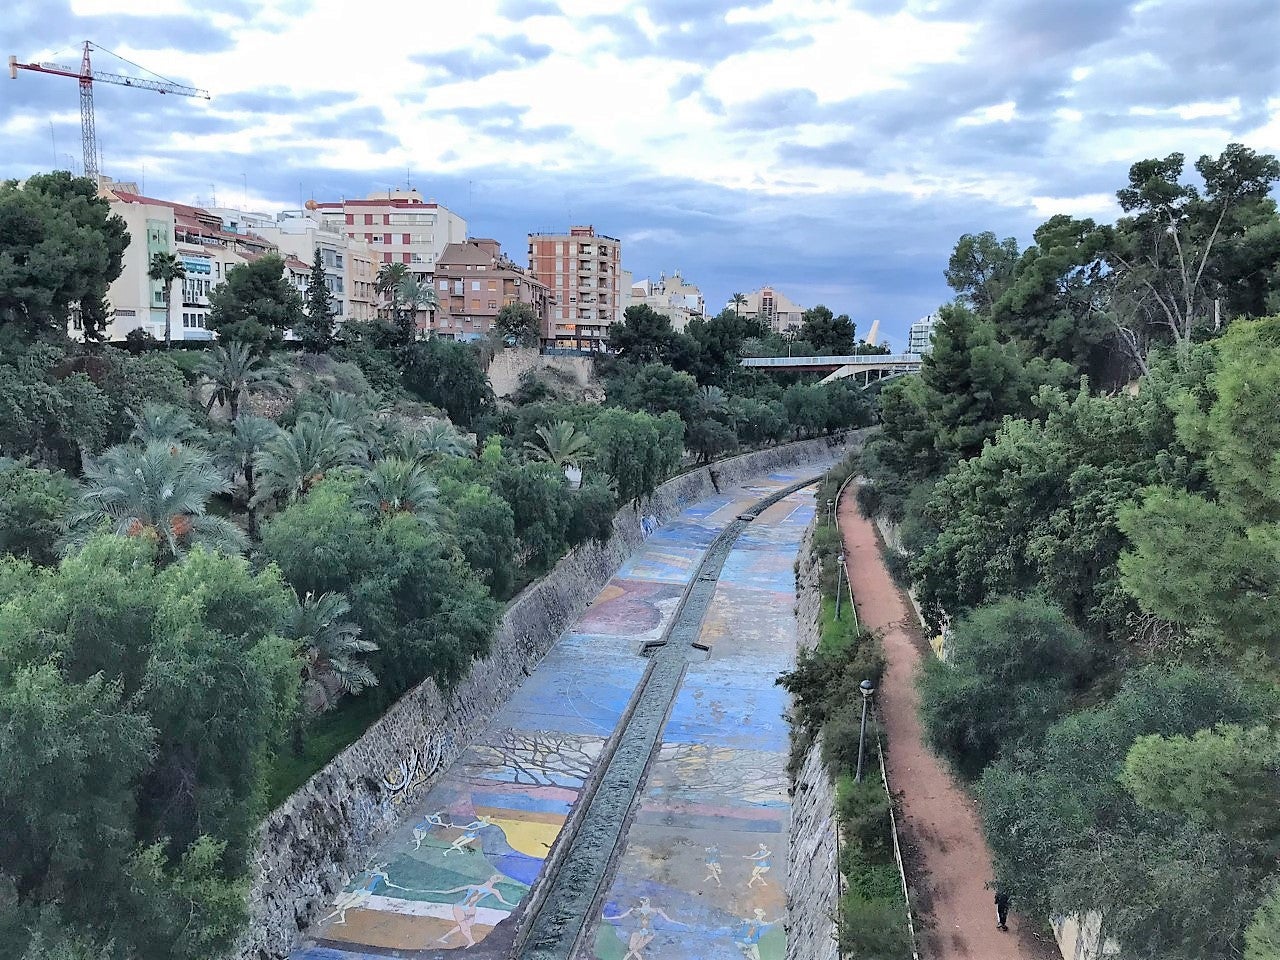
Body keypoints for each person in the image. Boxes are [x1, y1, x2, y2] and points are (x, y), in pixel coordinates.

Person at [419, 874, 515, 948]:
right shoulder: (473, 886)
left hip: (471, 909)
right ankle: (471, 941)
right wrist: (435, 891)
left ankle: (443, 937)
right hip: (460, 907)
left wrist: (514, 905)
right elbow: (451, 891)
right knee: (463, 925)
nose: (494, 879)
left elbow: (502, 900)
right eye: (495, 877)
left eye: (496, 878)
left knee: (466, 925)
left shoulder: (493, 891)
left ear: (496, 881)